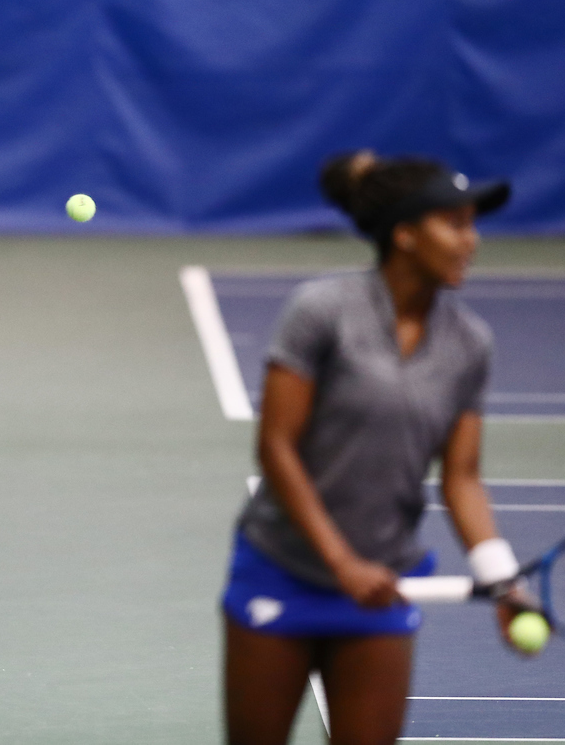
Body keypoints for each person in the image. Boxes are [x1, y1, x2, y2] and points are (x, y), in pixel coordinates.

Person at [221, 151, 529, 744]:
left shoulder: (470, 344)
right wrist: (341, 562)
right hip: (282, 571)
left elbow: (462, 476)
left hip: (382, 587)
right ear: (406, 235)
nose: (473, 241)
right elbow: (277, 449)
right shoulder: (321, 312)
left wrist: (502, 579)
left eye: (474, 224)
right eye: (455, 223)